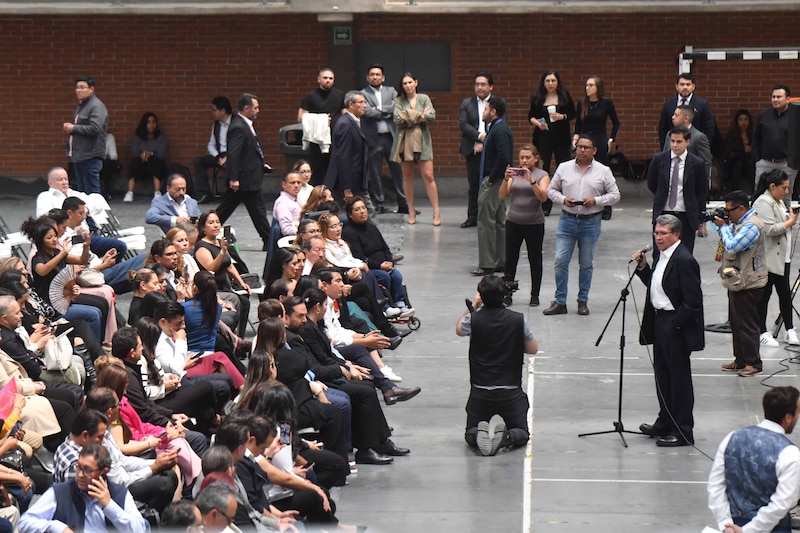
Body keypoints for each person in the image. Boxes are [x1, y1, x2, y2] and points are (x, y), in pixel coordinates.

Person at [633, 215, 704, 447]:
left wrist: (676, 325)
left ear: (676, 235)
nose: (658, 237)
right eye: (656, 233)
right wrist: (643, 268)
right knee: (663, 376)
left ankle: (683, 431)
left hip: (674, 324)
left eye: (663, 233)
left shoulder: (684, 260)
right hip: (660, 320)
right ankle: (665, 421)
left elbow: (693, 302)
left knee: (679, 380)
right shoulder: (662, 256)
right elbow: (658, 284)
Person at [456, 275, 538, 456]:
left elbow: (459, 329)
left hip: (480, 390)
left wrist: (474, 307)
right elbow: (532, 349)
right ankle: (506, 437)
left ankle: (478, 432)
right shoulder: (518, 320)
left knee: (469, 433)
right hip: (510, 392)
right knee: (522, 433)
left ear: (481, 296)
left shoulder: (474, 320)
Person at [543, 135, 620, 316]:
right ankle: (560, 301)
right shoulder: (564, 168)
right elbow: (550, 190)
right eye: (579, 147)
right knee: (560, 261)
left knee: (586, 263)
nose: (582, 150)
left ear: (594, 150)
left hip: (591, 221)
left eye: (587, 147)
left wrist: (596, 200)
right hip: (567, 219)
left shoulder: (603, 171)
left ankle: (582, 301)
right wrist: (563, 199)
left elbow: (615, 195)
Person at [708, 386, 800, 532]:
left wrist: (725, 524)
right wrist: (748, 530)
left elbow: (716, 486)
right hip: (772, 528)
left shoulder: (732, 437)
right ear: (788, 417)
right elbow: (783, 503)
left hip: (733, 524)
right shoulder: (789, 452)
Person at [19, 443, 149, 533]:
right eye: (78, 467)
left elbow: (140, 529)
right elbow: (25, 523)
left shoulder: (119, 493)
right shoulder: (61, 491)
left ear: (104, 471)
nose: (80, 475)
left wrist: (110, 506)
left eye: (87, 470)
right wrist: (56, 527)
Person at [714, 190, 768, 377]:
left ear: (742, 208)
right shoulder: (740, 223)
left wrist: (723, 227)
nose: (728, 214)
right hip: (738, 279)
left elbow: (733, 246)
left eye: (730, 210)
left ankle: (754, 363)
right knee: (736, 323)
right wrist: (725, 226)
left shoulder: (752, 225)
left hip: (750, 282)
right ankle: (741, 360)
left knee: (747, 324)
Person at [215, 93, 272, 251]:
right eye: (255, 107)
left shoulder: (244, 124)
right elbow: (234, 153)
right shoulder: (239, 126)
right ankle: (269, 239)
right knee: (257, 210)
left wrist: (261, 165)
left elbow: (249, 152)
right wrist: (233, 178)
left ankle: (203, 229)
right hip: (243, 179)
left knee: (229, 207)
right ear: (246, 108)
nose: (258, 110)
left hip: (247, 176)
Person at [35, 166, 127, 260]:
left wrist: (84, 210)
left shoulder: (74, 194)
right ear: (50, 183)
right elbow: (44, 219)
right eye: (60, 180)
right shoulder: (45, 197)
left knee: (118, 247)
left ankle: (107, 269)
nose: (64, 182)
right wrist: (71, 226)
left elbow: (99, 202)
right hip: (65, 241)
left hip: (85, 238)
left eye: (66, 179)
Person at [752, 170, 799, 347]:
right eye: (784, 188)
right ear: (772, 186)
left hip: (782, 257)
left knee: (785, 294)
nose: (786, 191)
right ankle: (761, 331)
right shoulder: (763, 202)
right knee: (764, 295)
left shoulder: (777, 201)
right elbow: (770, 230)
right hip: (768, 257)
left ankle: (789, 329)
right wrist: (790, 221)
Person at [500, 144, 549, 307]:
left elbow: (543, 198)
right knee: (510, 259)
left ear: (536, 158)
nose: (524, 160)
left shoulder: (542, 175)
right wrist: (506, 178)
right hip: (513, 221)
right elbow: (503, 195)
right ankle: (507, 293)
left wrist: (532, 181)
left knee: (534, 258)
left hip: (534, 222)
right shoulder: (515, 174)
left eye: (528, 157)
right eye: (522, 157)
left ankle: (535, 294)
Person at [342, 196, 412, 311]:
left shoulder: (371, 227)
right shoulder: (349, 232)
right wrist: (380, 266)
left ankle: (400, 302)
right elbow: (359, 256)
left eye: (363, 208)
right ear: (350, 214)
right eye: (357, 209)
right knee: (384, 276)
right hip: (370, 268)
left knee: (396, 275)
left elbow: (385, 247)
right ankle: (388, 305)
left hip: (384, 264)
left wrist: (390, 262)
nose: (362, 212)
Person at [647, 126, 708, 254]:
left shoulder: (697, 163)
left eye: (679, 141)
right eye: (673, 141)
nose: (675, 145)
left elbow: (701, 190)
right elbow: (652, 184)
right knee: (660, 253)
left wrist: (699, 216)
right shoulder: (659, 159)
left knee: (684, 254)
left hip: (685, 214)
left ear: (687, 142)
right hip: (664, 212)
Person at [391, 72, 440, 226]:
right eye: (405, 83)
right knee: (407, 176)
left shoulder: (424, 98)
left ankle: (436, 210)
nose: (408, 86)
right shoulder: (399, 100)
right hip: (404, 141)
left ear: (416, 82)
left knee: (428, 176)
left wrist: (409, 116)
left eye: (410, 82)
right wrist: (420, 116)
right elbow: (397, 119)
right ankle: (411, 210)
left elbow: (432, 115)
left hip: (423, 141)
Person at [473, 97, 513, 277]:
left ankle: (487, 263)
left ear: (493, 112)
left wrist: (491, 180)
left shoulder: (499, 130)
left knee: (486, 222)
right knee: (498, 221)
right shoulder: (495, 128)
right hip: (497, 180)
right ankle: (501, 260)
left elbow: (504, 157)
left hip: (494, 181)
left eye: (486, 109)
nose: (483, 112)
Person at [361, 63, 408, 215]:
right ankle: (379, 204)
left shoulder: (391, 91)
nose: (375, 77)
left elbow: (397, 108)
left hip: (390, 137)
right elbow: (367, 112)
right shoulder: (362, 93)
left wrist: (380, 109)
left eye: (378, 75)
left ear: (383, 77)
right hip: (373, 139)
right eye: (372, 75)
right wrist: (387, 109)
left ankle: (403, 203)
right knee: (374, 172)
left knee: (397, 171)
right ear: (368, 78)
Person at [527, 70, 576, 215]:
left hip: (561, 137)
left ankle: (567, 201)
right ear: (543, 83)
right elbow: (531, 116)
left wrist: (562, 116)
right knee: (544, 169)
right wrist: (537, 124)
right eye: (547, 81)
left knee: (565, 169)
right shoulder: (538, 97)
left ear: (558, 82)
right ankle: (545, 204)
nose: (550, 84)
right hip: (543, 137)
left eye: (553, 81)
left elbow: (573, 114)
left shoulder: (564, 96)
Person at [194, 210, 250, 336]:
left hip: (225, 285)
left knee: (245, 301)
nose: (216, 225)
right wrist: (222, 251)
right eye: (211, 223)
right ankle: (231, 337)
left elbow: (229, 265)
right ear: (203, 228)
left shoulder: (219, 242)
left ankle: (238, 337)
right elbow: (211, 267)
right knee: (238, 301)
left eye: (217, 222)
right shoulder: (202, 247)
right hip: (213, 288)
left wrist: (242, 283)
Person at [323, 91, 374, 212]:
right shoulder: (344, 124)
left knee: (360, 213)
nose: (364, 105)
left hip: (357, 180)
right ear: (351, 104)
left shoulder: (354, 122)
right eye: (361, 102)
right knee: (367, 212)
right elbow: (343, 157)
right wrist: (347, 188)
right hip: (350, 181)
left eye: (364, 102)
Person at [458, 72, 494, 228]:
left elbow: (500, 123)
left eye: (483, 84)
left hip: (491, 150)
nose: (479, 87)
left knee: (492, 183)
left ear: (491, 86)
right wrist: (479, 137)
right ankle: (472, 217)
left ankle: (491, 216)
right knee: (473, 185)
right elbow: (463, 125)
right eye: (477, 84)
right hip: (472, 149)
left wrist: (485, 143)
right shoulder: (467, 103)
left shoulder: (497, 103)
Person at [298, 68, 346, 183]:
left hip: (335, 138)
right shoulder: (311, 96)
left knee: (335, 169)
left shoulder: (340, 95)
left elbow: (345, 115)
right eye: (325, 78)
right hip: (317, 140)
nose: (328, 80)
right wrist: (321, 120)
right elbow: (301, 116)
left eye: (330, 78)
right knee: (318, 170)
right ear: (319, 79)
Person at [753, 84, 797, 205]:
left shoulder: (795, 116)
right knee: (759, 193)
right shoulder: (763, 115)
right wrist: (757, 159)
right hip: (765, 163)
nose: (775, 100)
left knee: (785, 196)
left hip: (787, 164)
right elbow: (756, 138)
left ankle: (785, 223)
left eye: (779, 97)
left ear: (788, 99)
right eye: (773, 97)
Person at [63, 75, 108, 195]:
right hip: (79, 155)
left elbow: (95, 128)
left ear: (91, 89)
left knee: (92, 194)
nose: (79, 90)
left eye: (83, 87)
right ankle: (85, 214)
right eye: (77, 87)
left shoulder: (96, 106)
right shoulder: (82, 106)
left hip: (90, 156)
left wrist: (73, 128)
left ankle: (95, 214)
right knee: (82, 194)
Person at [657, 72, 715, 147]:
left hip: (695, 148)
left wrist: (702, 145)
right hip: (673, 147)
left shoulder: (702, 104)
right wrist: (666, 147)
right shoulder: (668, 105)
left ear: (693, 87)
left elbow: (709, 128)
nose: (685, 87)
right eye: (682, 84)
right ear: (676, 86)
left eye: (688, 84)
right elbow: (663, 128)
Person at [573, 75, 620, 166]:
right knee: (584, 164)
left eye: (591, 85)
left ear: (598, 87)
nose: (587, 88)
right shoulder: (582, 103)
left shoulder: (606, 103)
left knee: (601, 166)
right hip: (585, 138)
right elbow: (578, 123)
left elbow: (616, 123)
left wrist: (611, 140)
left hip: (600, 138)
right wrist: (575, 137)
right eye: (586, 85)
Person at [193, 96, 233, 204]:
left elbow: (241, 145)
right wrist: (217, 156)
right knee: (199, 161)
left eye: (214, 110)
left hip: (233, 154)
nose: (212, 112)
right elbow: (211, 145)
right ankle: (204, 193)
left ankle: (229, 194)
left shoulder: (236, 123)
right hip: (219, 154)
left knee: (231, 165)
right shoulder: (216, 125)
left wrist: (228, 157)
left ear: (223, 111)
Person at [126, 111, 168, 202]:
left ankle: (157, 192)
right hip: (141, 164)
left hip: (156, 165)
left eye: (154, 122)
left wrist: (150, 154)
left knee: (154, 160)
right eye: (148, 122)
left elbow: (161, 154)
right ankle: (129, 193)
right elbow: (134, 152)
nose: (151, 125)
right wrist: (142, 155)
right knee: (135, 161)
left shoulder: (161, 137)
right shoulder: (136, 137)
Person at [663, 105, 712, 178]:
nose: (673, 117)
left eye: (676, 115)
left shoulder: (699, 137)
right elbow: (664, 156)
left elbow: (705, 163)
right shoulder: (669, 134)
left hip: (690, 180)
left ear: (686, 119)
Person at [724, 109, 756, 195]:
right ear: (737, 121)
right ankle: (734, 192)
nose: (743, 122)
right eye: (741, 119)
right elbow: (730, 152)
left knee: (749, 164)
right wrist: (743, 151)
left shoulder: (753, 134)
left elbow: (756, 151)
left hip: (750, 162)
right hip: (735, 163)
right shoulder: (732, 134)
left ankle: (754, 191)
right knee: (739, 164)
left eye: (746, 119)